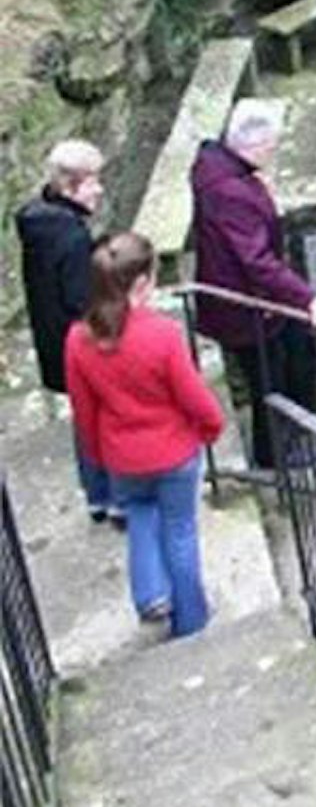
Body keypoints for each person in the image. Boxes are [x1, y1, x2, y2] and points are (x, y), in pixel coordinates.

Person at [65, 233, 224, 638]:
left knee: (139, 516)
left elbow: (84, 411)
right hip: (173, 452)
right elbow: (194, 396)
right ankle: (191, 621)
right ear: (141, 283)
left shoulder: (78, 340)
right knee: (180, 530)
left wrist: (99, 453)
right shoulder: (163, 334)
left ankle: (151, 593)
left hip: (122, 455)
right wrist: (210, 428)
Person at [189, 100, 316, 469]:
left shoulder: (219, 166)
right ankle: (272, 454)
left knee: (297, 348)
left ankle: (302, 427)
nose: (273, 153)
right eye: (271, 147)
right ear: (251, 147)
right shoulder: (231, 191)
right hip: (246, 306)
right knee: (266, 379)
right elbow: (256, 261)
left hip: (258, 301)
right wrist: (310, 298)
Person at [15, 139, 115, 521]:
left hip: (55, 344)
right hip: (80, 347)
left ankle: (96, 495)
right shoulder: (71, 237)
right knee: (103, 419)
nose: (100, 189)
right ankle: (113, 496)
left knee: (86, 417)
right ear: (71, 186)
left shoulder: (39, 220)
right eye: (92, 182)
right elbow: (80, 301)